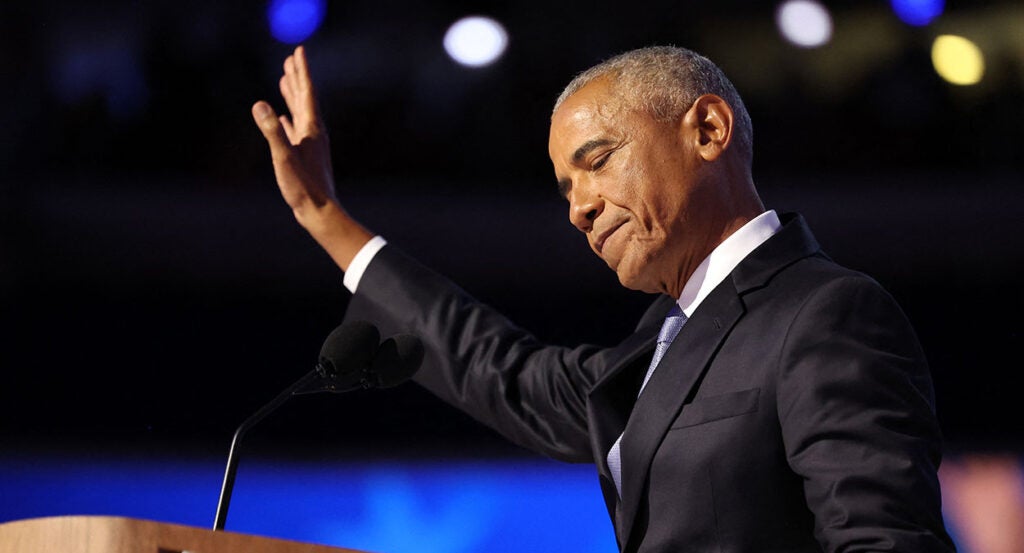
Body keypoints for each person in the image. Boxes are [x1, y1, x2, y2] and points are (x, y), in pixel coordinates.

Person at [251, 44, 956, 552]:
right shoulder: (657, 347)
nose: (579, 209)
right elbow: (500, 368)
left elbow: (886, 541)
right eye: (565, 190)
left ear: (708, 130)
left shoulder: (825, 313)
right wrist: (325, 217)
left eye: (596, 161)